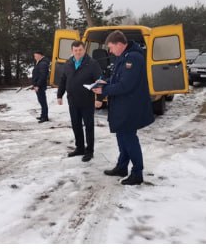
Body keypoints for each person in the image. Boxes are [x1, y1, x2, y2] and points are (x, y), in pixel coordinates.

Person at [92, 30, 154, 185]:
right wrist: (106, 82)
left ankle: (137, 173)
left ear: (119, 44)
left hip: (130, 107)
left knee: (129, 139)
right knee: (122, 137)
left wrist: (104, 90)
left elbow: (126, 85)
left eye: (111, 47)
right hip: (122, 106)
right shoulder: (123, 56)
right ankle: (122, 167)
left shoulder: (133, 58)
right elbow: (117, 78)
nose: (110, 51)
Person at [57, 41, 102, 162]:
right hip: (72, 100)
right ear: (72, 51)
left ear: (84, 50)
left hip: (87, 100)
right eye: (75, 50)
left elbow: (99, 81)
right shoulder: (68, 63)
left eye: (80, 50)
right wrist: (59, 95)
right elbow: (63, 80)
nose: (78, 52)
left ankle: (89, 151)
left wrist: (100, 98)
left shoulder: (92, 63)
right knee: (76, 125)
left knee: (88, 126)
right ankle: (80, 148)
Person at [32, 50, 51, 123]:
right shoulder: (40, 62)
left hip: (40, 86)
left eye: (35, 56)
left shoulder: (43, 63)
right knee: (41, 101)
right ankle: (43, 115)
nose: (35, 57)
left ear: (40, 55)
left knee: (43, 101)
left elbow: (43, 76)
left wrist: (37, 85)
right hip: (38, 85)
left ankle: (45, 117)